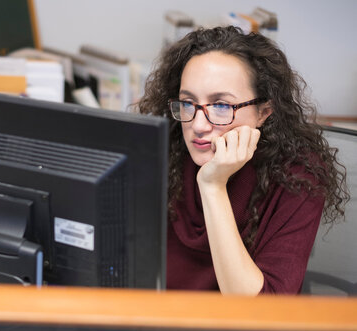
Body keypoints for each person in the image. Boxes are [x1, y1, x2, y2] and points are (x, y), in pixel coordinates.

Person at [138, 26, 349, 295]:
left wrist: (213, 186)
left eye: (221, 106)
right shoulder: (162, 150)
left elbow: (262, 313)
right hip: (159, 323)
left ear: (263, 112)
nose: (199, 125)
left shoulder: (298, 174)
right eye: (188, 103)